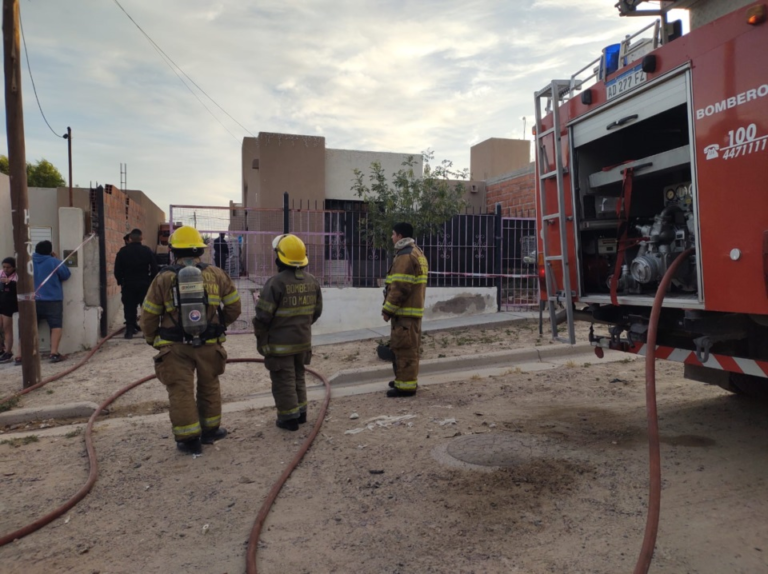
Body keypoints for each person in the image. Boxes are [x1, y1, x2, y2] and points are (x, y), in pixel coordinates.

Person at [140, 226, 241, 455]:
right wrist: (219, 324)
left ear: (174, 250)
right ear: (200, 250)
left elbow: (149, 314)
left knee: (180, 390)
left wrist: (151, 337)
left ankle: (188, 440)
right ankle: (210, 431)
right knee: (209, 385)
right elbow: (235, 306)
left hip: (175, 347)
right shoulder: (216, 274)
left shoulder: (163, 278)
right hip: (209, 343)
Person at [253, 234, 322, 431]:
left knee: (284, 380)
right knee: (299, 376)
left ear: (279, 257)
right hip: (302, 342)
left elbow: (263, 315)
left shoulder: (275, 283)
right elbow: (316, 312)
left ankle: (288, 419)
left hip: (280, 345)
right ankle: (301, 414)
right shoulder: (312, 281)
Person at [381, 222, 428, 398]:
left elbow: (400, 288)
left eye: (393, 234)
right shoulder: (417, 252)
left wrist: (388, 310)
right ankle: (403, 378)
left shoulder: (405, 256)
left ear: (400, 236)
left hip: (405, 314)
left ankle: (405, 387)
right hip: (412, 313)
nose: (392, 237)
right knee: (407, 348)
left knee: (404, 350)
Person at [114, 228, 158, 339]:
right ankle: (145, 331)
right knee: (145, 307)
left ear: (130, 239)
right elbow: (154, 268)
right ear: (141, 238)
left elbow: (117, 270)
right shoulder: (147, 251)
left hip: (128, 284)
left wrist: (121, 281)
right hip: (144, 283)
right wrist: (151, 281)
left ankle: (129, 330)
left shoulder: (122, 252)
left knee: (129, 307)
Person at [32, 241, 71, 363]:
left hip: (32, 300)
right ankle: (53, 353)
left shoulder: (28, 261)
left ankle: (21, 355)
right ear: (50, 251)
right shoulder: (53, 261)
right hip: (52, 299)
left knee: (28, 327)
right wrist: (57, 259)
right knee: (56, 326)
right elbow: (65, 274)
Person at [0, 257, 18, 363]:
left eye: (8, 267)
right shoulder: (1, 273)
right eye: (4, 267)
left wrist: (10, 283)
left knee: (7, 328)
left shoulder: (16, 276)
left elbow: (19, 287)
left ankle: (8, 351)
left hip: (9, 305)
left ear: (13, 267)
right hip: (1, 303)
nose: (6, 269)